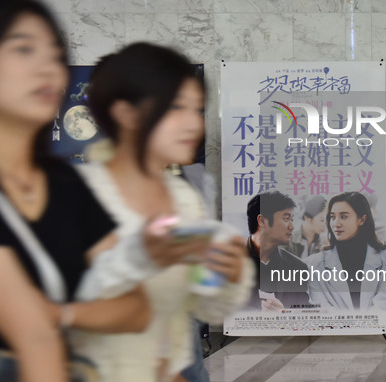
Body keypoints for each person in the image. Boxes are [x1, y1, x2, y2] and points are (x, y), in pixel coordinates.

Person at [0, 2, 196, 381]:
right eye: (23, 49)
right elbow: (36, 338)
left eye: (56, 54)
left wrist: (65, 313)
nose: (48, 68)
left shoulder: (64, 184)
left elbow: (136, 310)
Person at [75, 43, 253, 382]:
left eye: (197, 109)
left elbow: (198, 306)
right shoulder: (79, 193)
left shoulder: (183, 198)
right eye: (176, 107)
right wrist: (141, 257)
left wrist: (226, 277)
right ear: (125, 113)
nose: (192, 124)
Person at [304, 192, 386, 311]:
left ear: (362, 219)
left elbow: (384, 304)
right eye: (332, 217)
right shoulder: (313, 265)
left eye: (343, 216)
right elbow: (321, 308)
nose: (336, 224)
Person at [245, 191, 309, 311]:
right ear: (262, 221)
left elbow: (303, 314)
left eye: (292, 220)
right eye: (286, 219)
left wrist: (285, 315)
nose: (292, 226)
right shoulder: (228, 262)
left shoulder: (297, 268)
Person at [284, 195, 327, 259]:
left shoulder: (325, 241)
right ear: (307, 217)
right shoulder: (287, 239)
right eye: (322, 220)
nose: (325, 224)